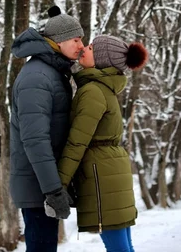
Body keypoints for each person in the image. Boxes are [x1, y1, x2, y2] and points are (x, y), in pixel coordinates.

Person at [53, 35, 149, 252]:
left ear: (102, 60)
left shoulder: (93, 91)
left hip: (102, 176)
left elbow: (77, 141)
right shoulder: (103, 88)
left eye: (91, 48)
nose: (84, 49)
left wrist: (59, 182)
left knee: (118, 249)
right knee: (124, 247)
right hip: (110, 172)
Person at [9, 5, 85, 252]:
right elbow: (36, 140)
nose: (81, 45)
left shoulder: (51, 73)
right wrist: (53, 190)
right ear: (59, 41)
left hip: (43, 183)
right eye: (75, 39)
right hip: (38, 185)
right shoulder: (37, 77)